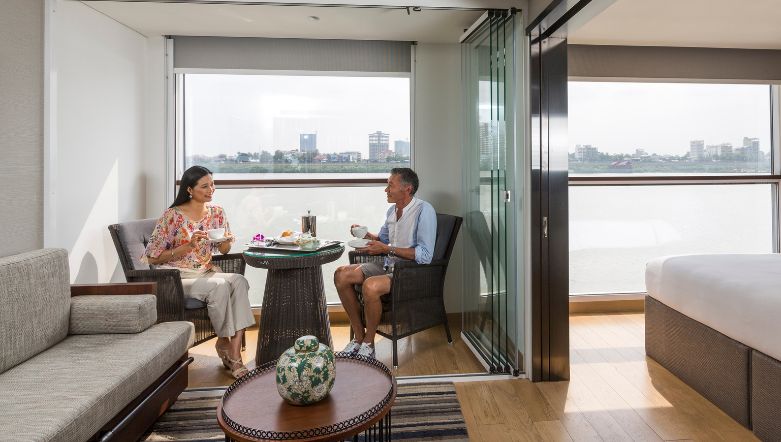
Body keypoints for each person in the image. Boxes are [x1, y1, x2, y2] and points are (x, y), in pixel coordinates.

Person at [142, 165, 255, 378]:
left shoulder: (217, 212)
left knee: (239, 281)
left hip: (206, 272)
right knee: (220, 286)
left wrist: (226, 241)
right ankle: (225, 344)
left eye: (212, 184)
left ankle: (232, 349)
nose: (211, 189)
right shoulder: (172, 216)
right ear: (189, 190)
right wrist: (187, 246)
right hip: (177, 277)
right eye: (204, 186)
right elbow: (152, 256)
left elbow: (223, 249)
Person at [333, 168, 436, 359]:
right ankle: (358, 338)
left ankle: (369, 343)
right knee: (341, 275)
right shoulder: (392, 210)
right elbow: (382, 239)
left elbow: (425, 254)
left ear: (407, 188)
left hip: (411, 272)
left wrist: (386, 249)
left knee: (370, 286)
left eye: (390, 185)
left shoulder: (424, 210)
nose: (386, 190)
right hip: (389, 266)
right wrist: (364, 235)